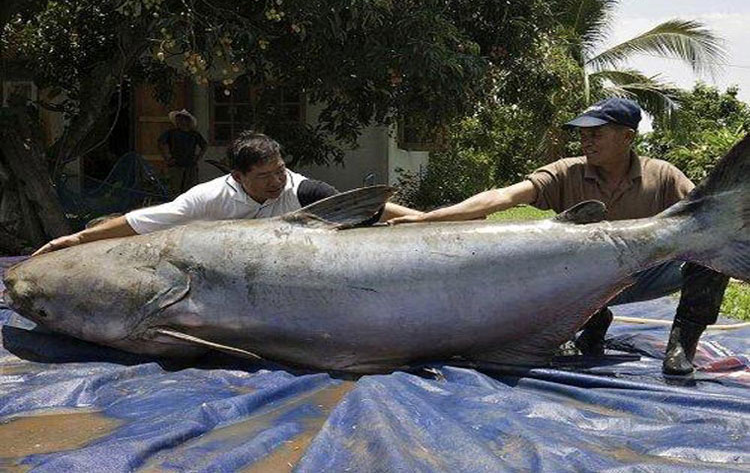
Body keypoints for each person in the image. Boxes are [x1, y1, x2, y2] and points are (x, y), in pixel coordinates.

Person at [390, 98, 729, 375]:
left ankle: (682, 343)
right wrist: (427, 219)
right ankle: (592, 320)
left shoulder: (663, 175)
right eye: (583, 133)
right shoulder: (567, 171)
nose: (586, 140)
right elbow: (502, 197)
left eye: (597, 133)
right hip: (577, 283)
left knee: (712, 251)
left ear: (627, 137)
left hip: (643, 274)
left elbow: (703, 214)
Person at [34, 131, 420, 256]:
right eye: (265, 175)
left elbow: (368, 211)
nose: (276, 181)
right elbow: (140, 223)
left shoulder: (303, 190)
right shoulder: (206, 199)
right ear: (237, 176)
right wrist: (78, 238)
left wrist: (428, 221)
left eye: (280, 170)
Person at [159, 109, 208, 196]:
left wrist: (198, 158)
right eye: (179, 119)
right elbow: (161, 143)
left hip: (190, 164)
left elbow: (204, 146)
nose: (181, 121)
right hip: (176, 164)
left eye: (183, 119)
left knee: (190, 190)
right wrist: (167, 157)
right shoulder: (171, 133)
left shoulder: (194, 134)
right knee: (175, 189)